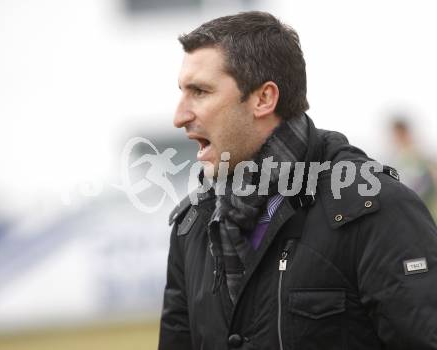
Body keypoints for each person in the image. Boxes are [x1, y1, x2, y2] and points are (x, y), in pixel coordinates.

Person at [158, 11, 437, 350]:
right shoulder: (192, 225)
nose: (179, 116)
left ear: (263, 99)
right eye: (182, 92)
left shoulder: (376, 210)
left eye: (200, 91)